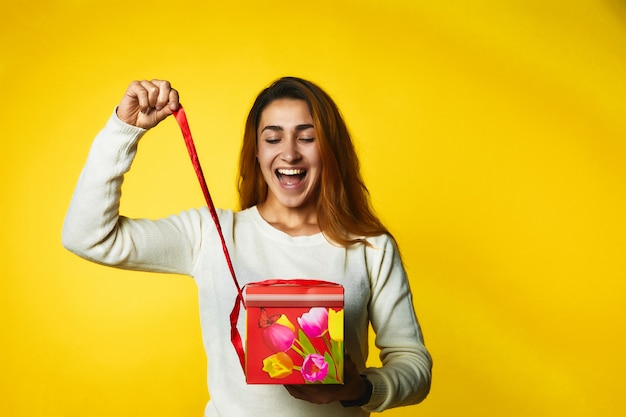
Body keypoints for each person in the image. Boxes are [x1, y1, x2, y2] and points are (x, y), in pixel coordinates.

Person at [62, 77, 432, 416]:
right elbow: (87, 236)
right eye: (273, 138)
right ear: (256, 151)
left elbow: (413, 364)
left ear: (330, 148)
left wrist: (359, 389)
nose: (289, 153)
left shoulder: (371, 247)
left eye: (307, 137)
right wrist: (124, 131)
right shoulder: (210, 233)